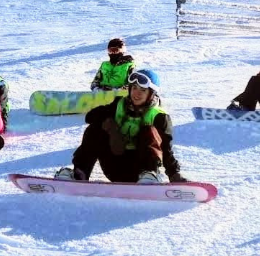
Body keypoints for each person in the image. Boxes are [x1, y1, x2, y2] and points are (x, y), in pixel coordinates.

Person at [55, 69, 188, 184]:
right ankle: (80, 174)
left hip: (139, 171)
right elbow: (90, 116)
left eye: (143, 90)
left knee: (149, 131)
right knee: (94, 130)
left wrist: (174, 174)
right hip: (114, 165)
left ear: (151, 94)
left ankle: (150, 175)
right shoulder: (118, 104)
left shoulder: (160, 116)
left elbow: (166, 148)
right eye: (134, 88)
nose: (137, 93)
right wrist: (109, 125)